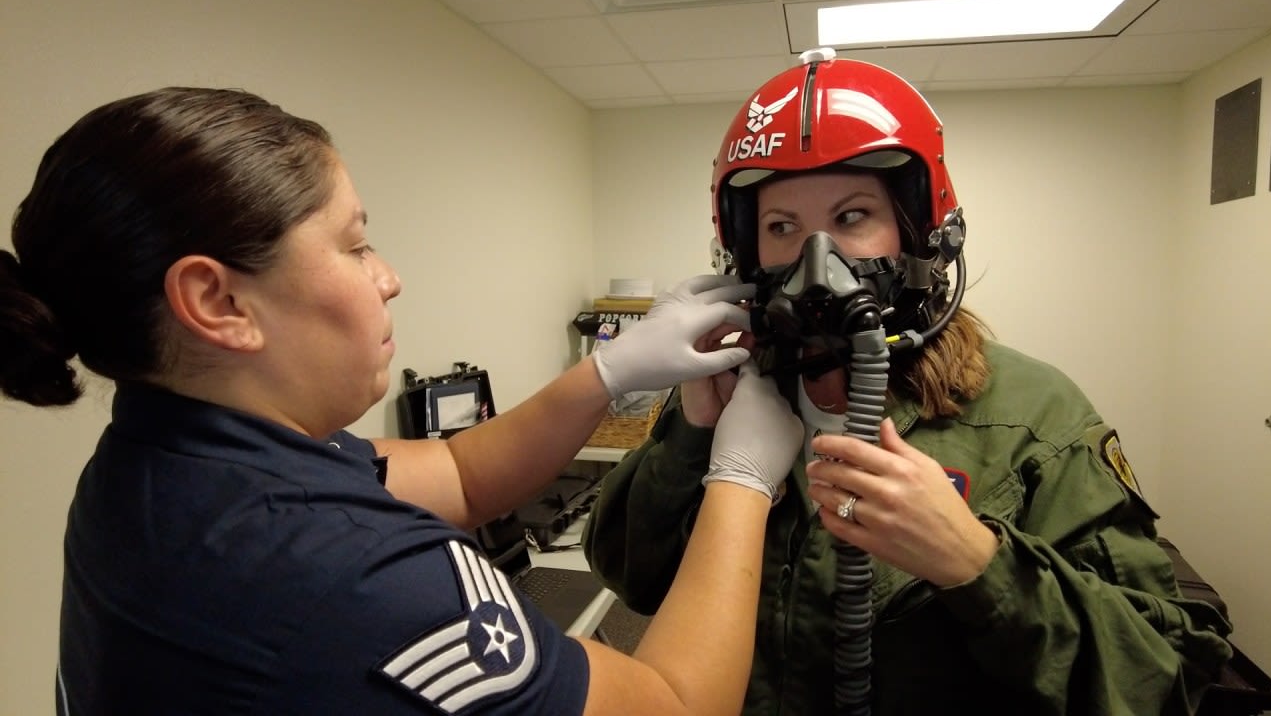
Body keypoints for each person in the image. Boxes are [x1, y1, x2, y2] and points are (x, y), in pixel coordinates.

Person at [0, 86, 806, 715]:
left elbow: (456, 471)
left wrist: (614, 369)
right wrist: (740, 478)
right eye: (354, 246)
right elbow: (674, 706)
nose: (388, 278)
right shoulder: (345, 576)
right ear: (218, 303)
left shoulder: (163, 461)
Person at [583, 49, 1234, 715]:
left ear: (917, 231)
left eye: (851, 217)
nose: (818, 257)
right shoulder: (726, 391)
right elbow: (630, 577)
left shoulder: (1029, 415)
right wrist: (692, 438)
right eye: (782, 226)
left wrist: (977, 561)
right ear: (747, 250)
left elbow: (1166, 671)